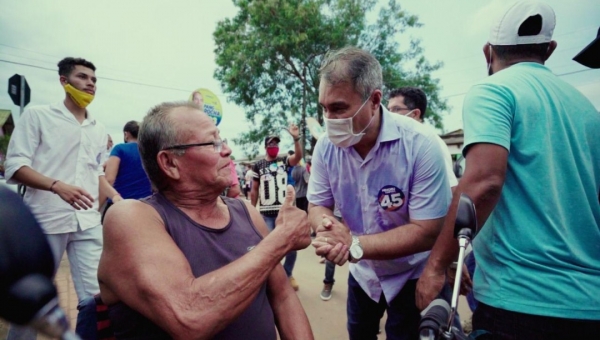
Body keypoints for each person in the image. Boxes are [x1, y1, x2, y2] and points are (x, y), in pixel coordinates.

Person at [415, 2, 600, 339]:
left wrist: (435, 267)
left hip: (520, 303)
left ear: (488, 52)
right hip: (589, 305)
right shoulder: (587, 110)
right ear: (550, 49)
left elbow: (483, 183)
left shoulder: (493, 91)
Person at [97, 101, 313, 339]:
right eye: (213, 143)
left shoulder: (245, 211)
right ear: (169, 163)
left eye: (222, 140)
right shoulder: (131, 218)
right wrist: (282, 238)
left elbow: (282, 296)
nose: (227, 151)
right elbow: (189, 317)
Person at [307, 46, 452, 340]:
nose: (328, 119)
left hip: (413, 274)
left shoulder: (420, 144)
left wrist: (353, 244)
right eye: (323, 108)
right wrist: (328, 230)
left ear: (374, 100)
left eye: (338, 108)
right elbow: (318, 204)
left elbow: (426, 231)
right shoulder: (325, 148)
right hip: (364, 276)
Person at [4, 57, 121, 339]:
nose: (90, 83)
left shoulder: (98, 127)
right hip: (46, 219)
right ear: (64, 81)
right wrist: (57, 186)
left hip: (88, 221)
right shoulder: (37, 116)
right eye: (82, 77)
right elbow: (15, 167)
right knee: (33, 302)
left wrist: (118, 199)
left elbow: (96, 173)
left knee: (96, 298)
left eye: (94, 79)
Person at [251, 128, 303, 290]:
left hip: (284, 213)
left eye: (276, 143)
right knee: (270, 248)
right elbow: (254, 189)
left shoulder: (283, 161)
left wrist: (296, 139)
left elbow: (298, 157)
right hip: (266, 214)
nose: (274, 145)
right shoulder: (258, 165)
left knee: (291, 247)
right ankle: (274, 279)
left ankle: (288, 274)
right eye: (271, 143)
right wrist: (252, 211)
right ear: (266, 146)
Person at [387, 87, 458, 189]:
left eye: (396, 109)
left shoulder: (428, 142)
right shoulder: (404, 141)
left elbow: (451, 187)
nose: (389, 115)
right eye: (388, 110)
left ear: (415, 114)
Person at [102, 120, 152, 222]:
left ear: (126, 134)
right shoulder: (150, 151)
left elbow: (109, 179)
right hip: (146, 206)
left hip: (120, 205)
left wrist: (98, 206)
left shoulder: (119, 149)